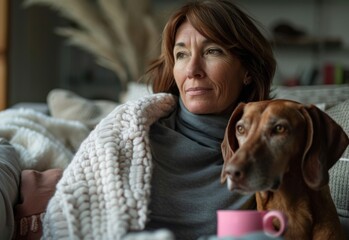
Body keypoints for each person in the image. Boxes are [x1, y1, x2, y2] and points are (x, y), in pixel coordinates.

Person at [41, 0, 276, 239]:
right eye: (182, 54)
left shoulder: (273, 151)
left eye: (211, 51)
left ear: (247, 70)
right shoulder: (133, 133)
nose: (192, 69)